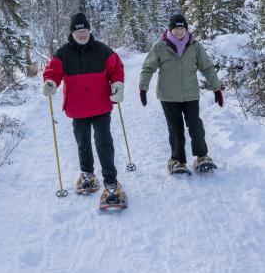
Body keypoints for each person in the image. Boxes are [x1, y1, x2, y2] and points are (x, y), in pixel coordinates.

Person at [42, 12, 126, 201]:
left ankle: (111, 182)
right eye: (78, 31)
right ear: (72, 33)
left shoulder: (103, 50)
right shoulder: (63, 52)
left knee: (104, 142)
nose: (82, 34)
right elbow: (53, 71)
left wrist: (118, 85)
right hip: (78, 107)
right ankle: (87, 174)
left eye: (85, 30)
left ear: (89, 30)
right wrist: (50, 83)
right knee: (83, 142)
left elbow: (116, 69)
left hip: (102, 104)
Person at [139, 13, 224, 174]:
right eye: (176, 28)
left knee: (195, 125)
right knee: (175, 128)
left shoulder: (195, 45)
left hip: (191, 94)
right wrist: (143, 88)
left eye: (182, 28)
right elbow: (148, 68)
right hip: (168, 96)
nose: (179, 31)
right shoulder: (160, 46)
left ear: (186, 29)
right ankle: (177, 160)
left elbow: (207, 67)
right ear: (170, 29)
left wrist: (216, 88)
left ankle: (202, 156)